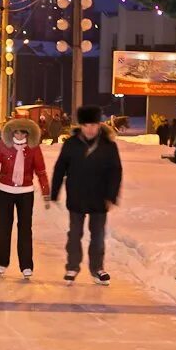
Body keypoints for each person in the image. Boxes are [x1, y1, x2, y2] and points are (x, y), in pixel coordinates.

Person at [50, 105, 122, 286]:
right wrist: (55, 191)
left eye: (93, 125)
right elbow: (60, 168)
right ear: (81, 126)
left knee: (97, 236)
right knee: (75, 234)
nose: (90, 129)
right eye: (86, 125)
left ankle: (97, 268)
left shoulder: (108, 145)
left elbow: (116, 172)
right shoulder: (71, 144)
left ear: (99, 125)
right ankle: (72, 267)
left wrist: (111, 196)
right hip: (77, 196)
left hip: (99, 198)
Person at [0, 118, 50, 279]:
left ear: (28, 134)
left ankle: (26, 265)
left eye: (23, 132)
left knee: (25, 230)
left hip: (25, 193)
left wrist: (45, 193)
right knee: (4, 228)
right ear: (12, 132)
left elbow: (41, 171)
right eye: (17, 132)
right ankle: (2, 261)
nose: (20, 135)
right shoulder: (3, 146)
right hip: (5, 192)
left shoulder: (33, 149)